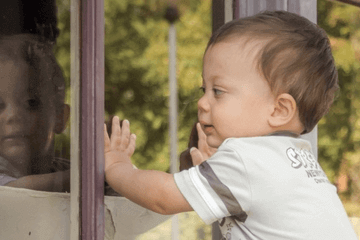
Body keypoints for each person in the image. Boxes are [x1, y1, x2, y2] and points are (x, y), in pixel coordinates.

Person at [104, 11, 358, 240]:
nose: (202, 102)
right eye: (204, 90)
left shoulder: (246, 160)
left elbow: (162, 198)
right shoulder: (297, 161)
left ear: (279, 110)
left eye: (218, 91)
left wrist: (116, 166)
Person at [0, 33, 70, 192]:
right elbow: (14, 192)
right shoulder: (73, 176)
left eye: (31, 103)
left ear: (60, 117)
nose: (13, 115)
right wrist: (91, 175)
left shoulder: (64, 168)